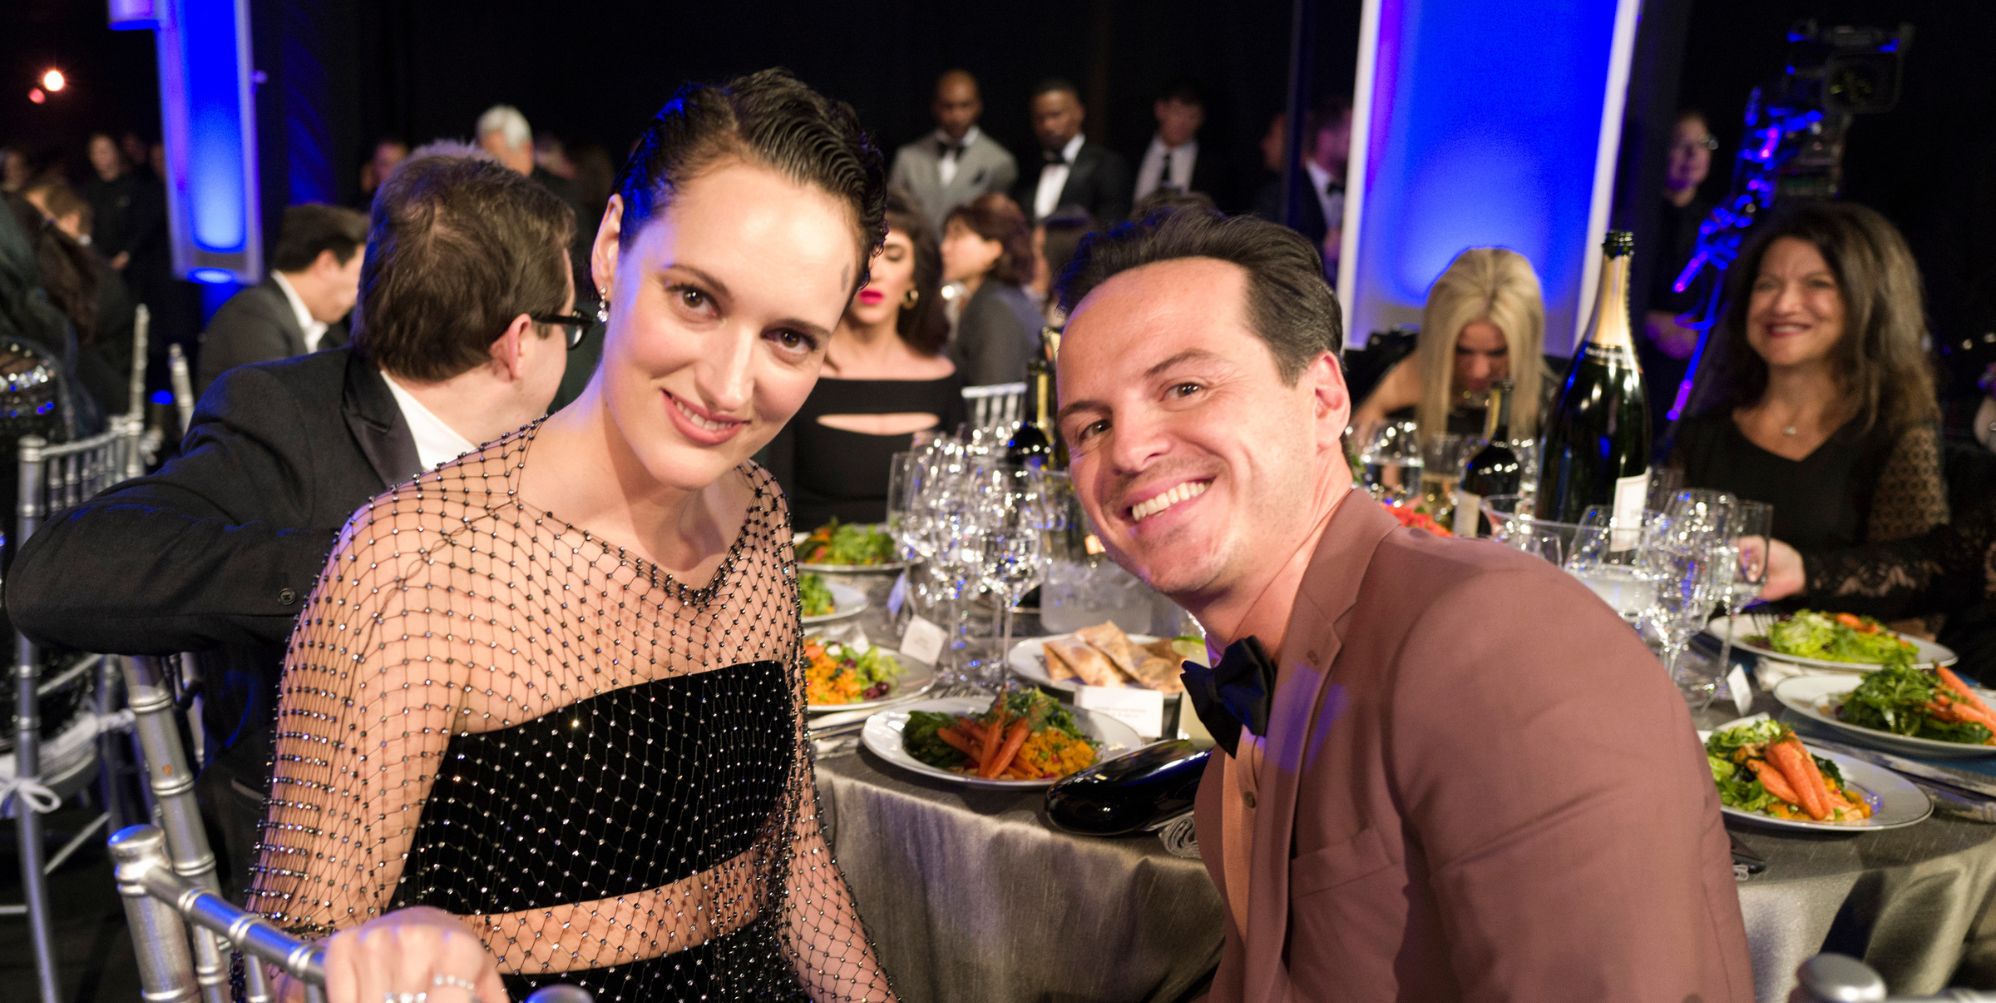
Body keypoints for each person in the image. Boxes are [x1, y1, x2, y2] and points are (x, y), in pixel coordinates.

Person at [243, 69, 895, 1003]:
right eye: (697, 299)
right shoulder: (418, 563)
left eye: (790, 336)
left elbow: (788, 859)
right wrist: (391, 948)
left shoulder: (756, 514)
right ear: (613, 246)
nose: (728, 384)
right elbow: (278, 967)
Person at [1050, 208, 1751, 1000]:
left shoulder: (1500, 641)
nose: (1130, 448)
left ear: (1322, 399)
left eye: (1185, 386)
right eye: (1092, 425)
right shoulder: (1246, 709)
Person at [5, 147, 580, 898]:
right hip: (348, 893)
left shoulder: (556, 440)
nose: (581, 345)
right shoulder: (284, 417)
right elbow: (55, 576)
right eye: (575, 322)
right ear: (516, 342)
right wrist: (374, 567)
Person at [1673, 200, 1947, 550]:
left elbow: (1922, 574)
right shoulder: (1702, 433)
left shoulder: (1893, 433)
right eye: (1767, 285)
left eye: (1817, 284)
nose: (1783, 305)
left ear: (1870, 302)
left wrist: (1804, 573)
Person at [766, 189, 964, 527]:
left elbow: (957, 507)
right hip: (807, 570)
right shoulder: (797, 371)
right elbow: (768, 503)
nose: (877, 271)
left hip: (914, 573)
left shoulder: (942, 379)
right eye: (865, 254)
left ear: (914, 279)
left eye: (895, 256)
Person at [1351, 246, 1551, 446]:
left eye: (1497, 352)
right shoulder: (1399, 371)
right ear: (1439, 340)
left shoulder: (1550, 405)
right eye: (1463, 350)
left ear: (1525, 347)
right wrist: (1384, 399)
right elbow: (1354, 459)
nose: (1479, 370)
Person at [195, 202, 369, 394]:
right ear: (326, 264)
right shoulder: (252, 313)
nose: (360, 292)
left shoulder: (330, 331)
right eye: (359, 275)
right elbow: (275, 405)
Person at [1638, 109, 1720, 427]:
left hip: (1693, 367)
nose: (1693, 153)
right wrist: (1647, 320)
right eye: (1680, 143)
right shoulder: (1635, 215)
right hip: (1641, 354)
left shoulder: (1719, 223)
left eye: (1703, 143)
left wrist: (1701, 335)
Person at [888, 69, 1019, 237]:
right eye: (948, 106)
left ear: (978, 106)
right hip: (918, 256)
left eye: (964, 105)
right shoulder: (908, 157)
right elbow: (894, 214)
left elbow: (998, 226)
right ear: (935, 107)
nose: (956, 115)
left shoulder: (999, 161)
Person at [941, 192, 1040, 387]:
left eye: (956, 236)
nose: (945, 248)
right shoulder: (1002, 298)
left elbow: (992, 395)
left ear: (993, 250)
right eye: (946, 237)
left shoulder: (995, 309)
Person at [1011, 78, 1131, 224]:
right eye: (1040, 118)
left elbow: (1111, 226)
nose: (1047, 125)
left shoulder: (1106, 164)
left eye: (1055, 115)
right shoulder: (1027, 168)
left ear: (1079, 112)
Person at [1131, 77, 1229, 207]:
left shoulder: (1214, 166)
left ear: (1201, 119)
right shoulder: (1131, 152)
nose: (1183, 123)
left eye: (1192, 116)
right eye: (1177, 112)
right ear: (1160, 110)